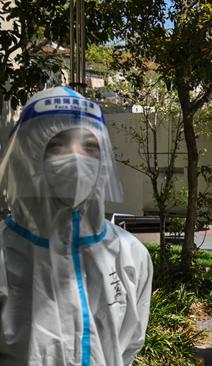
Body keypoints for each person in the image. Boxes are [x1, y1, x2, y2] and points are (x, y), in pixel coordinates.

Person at [0, 87, 153, 365]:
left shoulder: (129, 254)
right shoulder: (4, 253)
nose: (77, 158)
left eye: (89, 147)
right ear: (29, 154)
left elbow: (129, 344)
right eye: (58, 144)